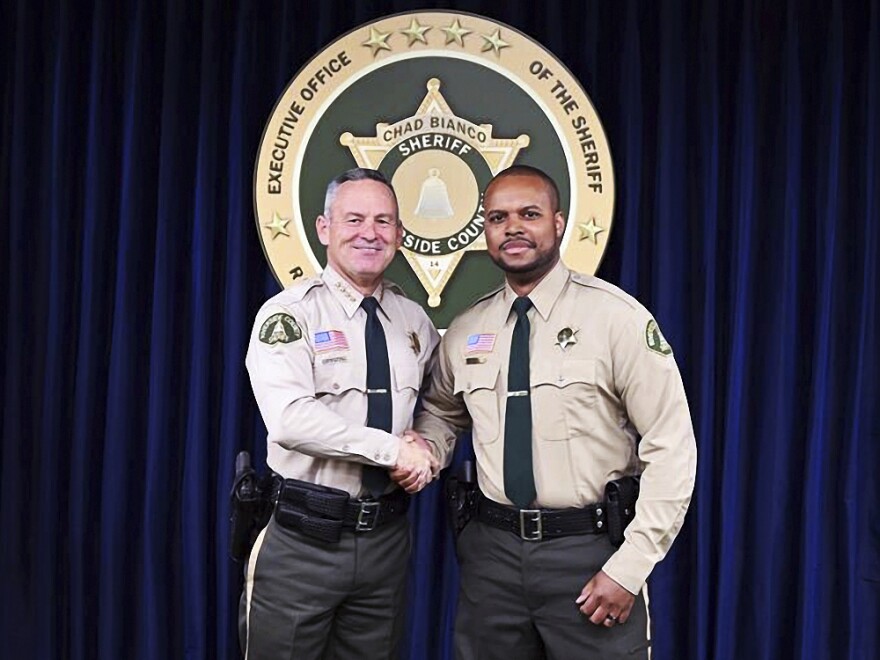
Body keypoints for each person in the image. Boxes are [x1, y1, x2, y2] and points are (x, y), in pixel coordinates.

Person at [409, 165, 697, 659]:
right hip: (492, 557)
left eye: (530, 214)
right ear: (485, 231)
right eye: (498, 217)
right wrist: (424, 449)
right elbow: (440, 409)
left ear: (559, 223)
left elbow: (671, 447)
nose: (513, 227)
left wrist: (629, 567)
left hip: (588, 554)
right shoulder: (466, 328)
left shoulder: (617, 319)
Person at [241, 168, 440, 660]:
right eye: (354, 219)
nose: (369, 233)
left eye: (384, 221)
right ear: (324, 228)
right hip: (303, 538)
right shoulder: (290, 315)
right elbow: (290, 420)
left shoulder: (414, 320)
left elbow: (441, 405)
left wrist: (432, 450)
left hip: (386, 542)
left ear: (398, 234)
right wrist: (393, 450)